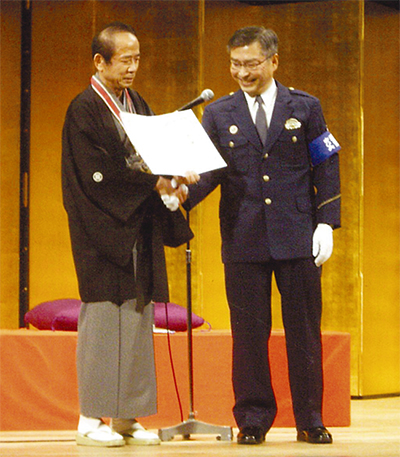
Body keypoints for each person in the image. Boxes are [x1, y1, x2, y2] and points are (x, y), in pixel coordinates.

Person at [185, 26, 341, 445]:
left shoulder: (306, 107)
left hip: (297, 236)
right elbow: (209, 170)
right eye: (235, 64)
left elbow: (326, 163)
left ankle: (310, 418)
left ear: (273, 61)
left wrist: (327, 221)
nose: (242, 72)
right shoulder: (219, 113)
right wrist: (180, 195)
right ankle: (252, 417)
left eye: (251, 63)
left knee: (304, 330)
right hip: (243, 236)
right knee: (248, 332)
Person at [62, 22, 197, 447]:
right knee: (104, 318)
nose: (132, 68)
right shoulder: (83, 108)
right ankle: (90, 417)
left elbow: (151, 159)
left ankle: (125, 417)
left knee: (138, 318)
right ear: (99, 61)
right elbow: (94, 176)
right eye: (125, 60)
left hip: (136, 223)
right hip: (101, 227)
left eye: (137, 59)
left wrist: (172, 180)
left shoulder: (135, 102)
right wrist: (152, 183)